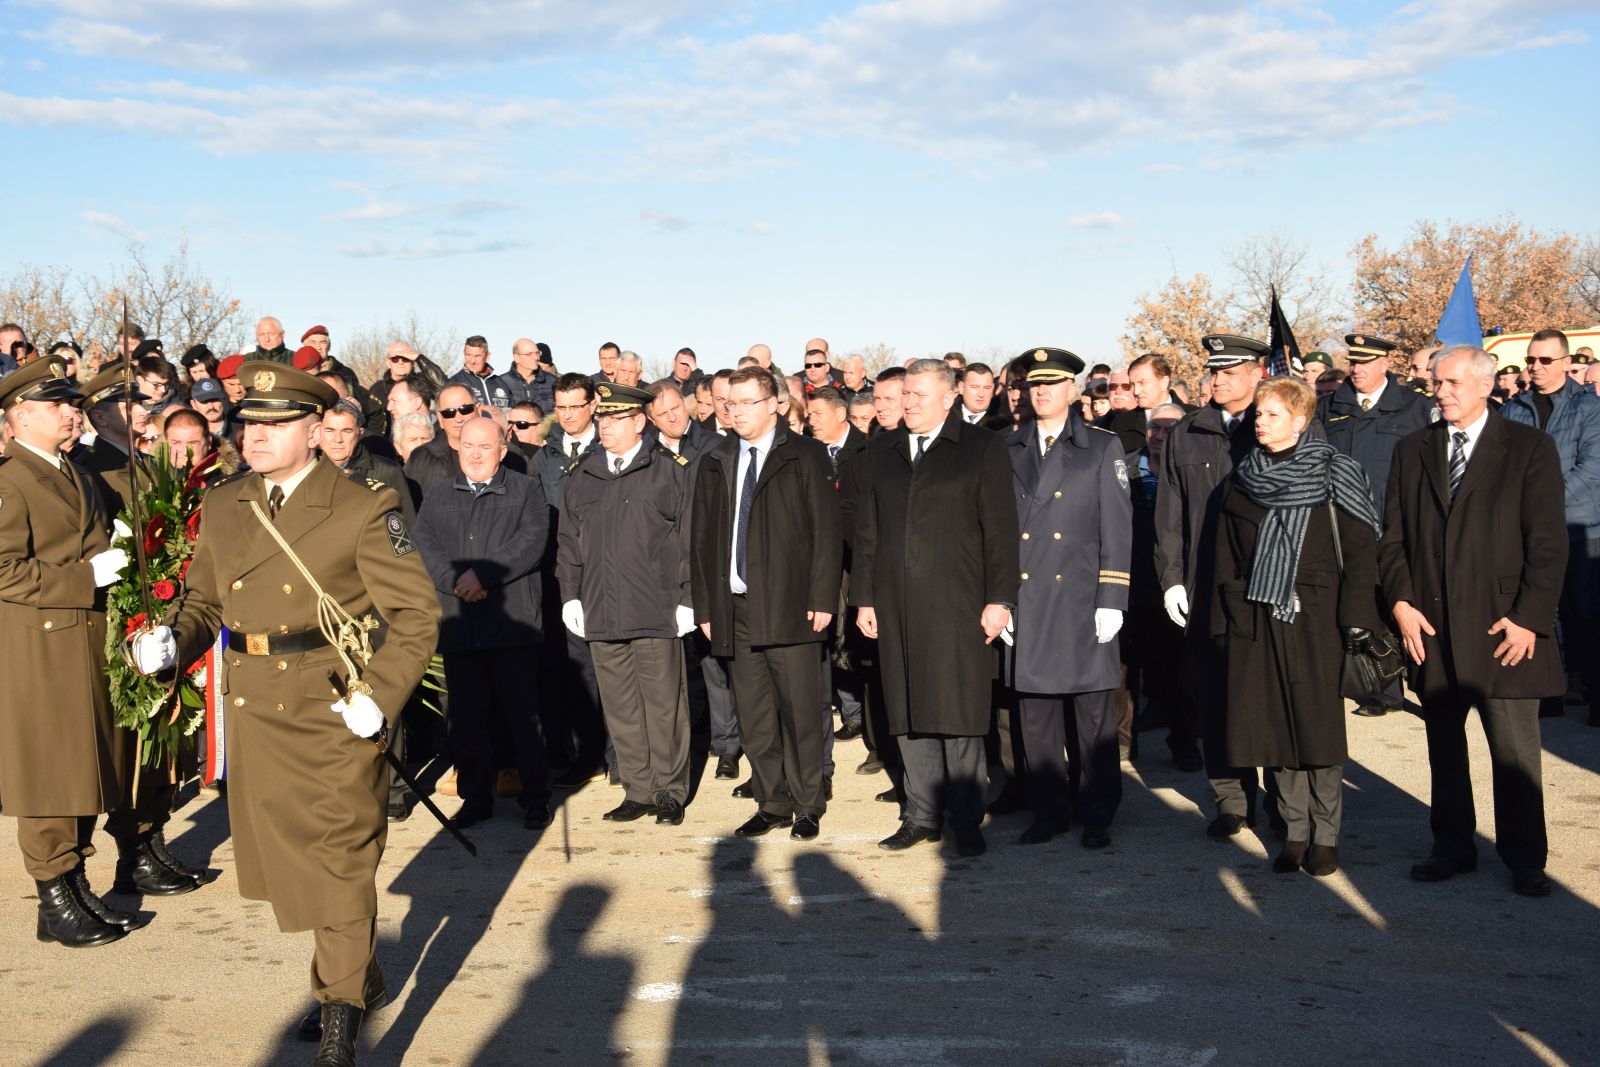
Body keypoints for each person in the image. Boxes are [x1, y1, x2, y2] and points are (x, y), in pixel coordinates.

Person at [130, 362, 440, 1062]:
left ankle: (338, 1016)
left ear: (313, 430)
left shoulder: (364, 505)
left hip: (332, 702)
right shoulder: (227, 503)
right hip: (255, 707)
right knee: (293, 865)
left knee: (339, 855)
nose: (255, 435)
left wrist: (379, 696)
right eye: (249, 422)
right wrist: (169, 641)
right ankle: (357, 970)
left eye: (274, 424)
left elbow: (416, 615)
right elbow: (205, 601)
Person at [1379, 345, 1566, 898]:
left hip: (1503, 628)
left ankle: (1525, 856)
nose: (1441, 392)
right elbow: (1393, 538)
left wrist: (1528, 619)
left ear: (1486, 386)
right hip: (1432, 627)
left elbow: (1549, 544)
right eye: (1437, 383)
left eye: (1454, 383)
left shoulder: (1529, 448)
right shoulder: (1413, 450)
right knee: (1443, 744)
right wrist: (1401, 602)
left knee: (1514, 751)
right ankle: (1452, 845)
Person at [1214, 376, 1381, 877]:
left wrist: (1354, 619)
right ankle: (1294, 832)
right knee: (1274, 726)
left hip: (1318, 616)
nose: (1259, 422)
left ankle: (1326, 836)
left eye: (1270, 415)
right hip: (1259, 615)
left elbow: (1360, 551)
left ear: (1300, 420)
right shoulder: (1243, 476)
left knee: (1317, 727)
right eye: (1258, 415)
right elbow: (1226, 555)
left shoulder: (1336, 471)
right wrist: (1233, 614)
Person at [852, 359, 1018, 857]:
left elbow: (1001, 529)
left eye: (920, 395)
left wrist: (1000, 598)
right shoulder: (880, 452)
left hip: (959, 602)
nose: (909, 404)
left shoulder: (980, 447)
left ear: (950, 398)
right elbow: (867, 532)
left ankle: (966, 818)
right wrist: (863, 596)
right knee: (906, 709)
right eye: (906, 395)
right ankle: (921, 815)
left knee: (958, 710)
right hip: (895, 603)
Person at [0, 356, 136, 948]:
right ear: (20, 416)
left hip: (83, 639)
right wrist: (85, 577)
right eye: (56, 405)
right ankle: (54, 887)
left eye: (70, 403)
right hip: (39, 643)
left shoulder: (72, 471)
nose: (70, 412)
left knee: (82, 761)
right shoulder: (9, 479)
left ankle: (70, 889)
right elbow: (4, 570)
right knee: (50, 768)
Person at [691, 367, 841, 841]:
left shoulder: (805, 454)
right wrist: (706, 608)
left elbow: (826, 532)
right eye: (729, 404)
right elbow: (701, 541)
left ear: (774, 403)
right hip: (734, 608)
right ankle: (772, 801)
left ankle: (807, 803)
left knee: (800, 709)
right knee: (755, 715)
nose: (735, 412)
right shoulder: (715, 459)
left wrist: (821, 596)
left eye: (746, 403)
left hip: (793, 604)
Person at [1005, 348, 1132, 849]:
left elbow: (1117, 529)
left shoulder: (1102, 447)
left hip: (1082, 598)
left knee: (1092, 717)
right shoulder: (1007, 447)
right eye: (1035, 384)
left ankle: (1097, 811)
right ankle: (1048, 810)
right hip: (1028, 595)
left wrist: (1113, 597)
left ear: (1073, 390)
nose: (1042, 392)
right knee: (1035, 717)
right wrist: (1000, 598)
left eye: (1053, 384)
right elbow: (995, 532)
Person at [558, 383, 696, 824]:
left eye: (615, 420)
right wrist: (571, 595)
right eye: (602, 420)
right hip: (600, 609)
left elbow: (690, 539)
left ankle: (669, 791)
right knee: (620, 706)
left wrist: (688, 597)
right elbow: (568, 543)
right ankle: (638, 789)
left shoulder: (669, 471)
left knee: (663, 705)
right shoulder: (584, 475)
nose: (605, 428)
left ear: (639, 422)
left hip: (655, 607)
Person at [1155, 334, 1274, 835]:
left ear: (1257, 373)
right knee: (1216, 697)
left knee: (1266, 695)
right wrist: (1171, 578)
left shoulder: (1278, 426)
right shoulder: (1189, 431)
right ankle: (1232, 799)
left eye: (1229, 370)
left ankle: (1282, 801)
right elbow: (1170, 515)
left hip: (1262, 584)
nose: (1217, 378)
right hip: (1205, 587)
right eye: (1214, 371)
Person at [413, 415, 552, 831]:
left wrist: (484, 575)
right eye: (468, 445)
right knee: (467, 720)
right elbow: (424, 545)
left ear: (502, 450)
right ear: (457, 447)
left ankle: (535, 798)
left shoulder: (526, 489)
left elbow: (531, 541)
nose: (475, 453)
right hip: (460, 624)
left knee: (523, 716)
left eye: (485, 446)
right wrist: (455, 580)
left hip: (513, 625)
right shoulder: (438, 496)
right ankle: (476, 798)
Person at [1315, 332, 1436, 717]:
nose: (1357, 369)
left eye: (1366, 362)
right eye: (1353, 362)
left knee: (1406, 601)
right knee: (1363, 603)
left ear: (1385, 364)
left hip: (1398, 522)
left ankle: (1431, 684)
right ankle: (1382, 691)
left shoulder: (1414, 408)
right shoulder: (1330, 407)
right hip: (1348, 524)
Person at [1500, 328, 1600, 725]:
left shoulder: (1589, 407)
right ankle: (1548, 690)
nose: (1535, 368)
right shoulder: (1514, 408)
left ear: (1565, 362)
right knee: (1538, 607)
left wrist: (1541, 502)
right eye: (1530, 360)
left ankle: (1591, 688)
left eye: (1544, 360)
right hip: (1529, 530)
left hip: (1579, 527)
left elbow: (1592, 469)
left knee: (1586, 612)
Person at [532, 373, 609, 784]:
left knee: (601, 665)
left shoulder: (606, 448)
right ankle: (577, 751)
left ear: (593, 405)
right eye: (560, 408)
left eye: (575, 407)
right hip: (555, 572)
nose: (566, 415)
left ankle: (604, 751)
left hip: (599, 572)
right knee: (566, 666)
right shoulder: (544, 456)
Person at [322, 399, 415, 525]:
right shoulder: (304, 470)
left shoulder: (388, 472)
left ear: (360, 434)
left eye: (346, 431)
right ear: (318, 431)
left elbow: (407, 524)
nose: (338, 439)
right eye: (330, 430)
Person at [494, 337, 558, 415]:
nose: (536, 358)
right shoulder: (500, 383)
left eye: (537, 353)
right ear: (517, 358)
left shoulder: (552, 381)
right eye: (529, 354)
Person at [872, 367, 905, 431]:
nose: (880, 408)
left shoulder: (921, 439)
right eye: (877, 399)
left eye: (889, 399)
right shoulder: (870, 437)